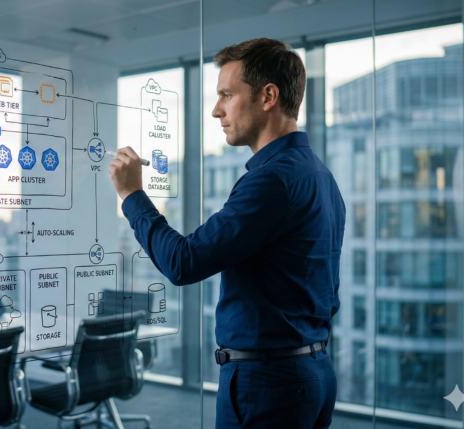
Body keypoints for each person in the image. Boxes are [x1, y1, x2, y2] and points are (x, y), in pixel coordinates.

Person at [108, 38, 345, 428]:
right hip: (311, 370)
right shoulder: (320, 175)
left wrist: (132, 195)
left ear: (268, 96)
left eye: (227, 95)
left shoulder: (273, 181)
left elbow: (183, 262)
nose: (216, 110)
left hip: (268, 383)